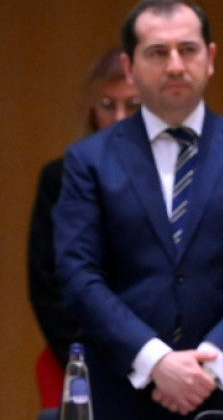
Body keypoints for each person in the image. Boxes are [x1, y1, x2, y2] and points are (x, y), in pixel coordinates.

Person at [53, 0, 223, 419]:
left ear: (210, 58)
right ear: (129, 66)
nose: (176, 65)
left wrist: (211, 361)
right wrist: (156, 360)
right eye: (158, 52)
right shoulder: (88, 160)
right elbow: (77, 275)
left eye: (188, 49)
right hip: (123, 390)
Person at [28, 47, 140, 408]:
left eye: (133, 106)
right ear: (92, 109)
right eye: (107, 105)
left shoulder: (182, 181)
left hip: (169, 363)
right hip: (79, 358)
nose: (119, 118)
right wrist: (106, 363)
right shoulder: (59, 178)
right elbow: (47, 286)